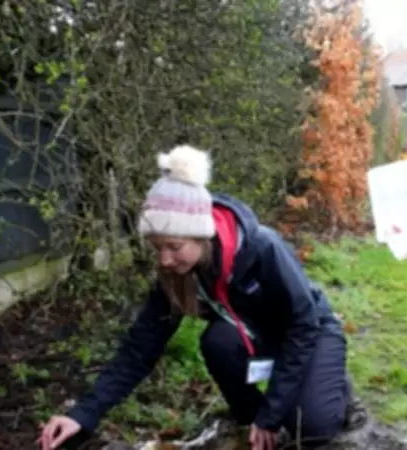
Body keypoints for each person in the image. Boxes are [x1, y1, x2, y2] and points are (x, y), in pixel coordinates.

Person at [38, 145, 351, 450]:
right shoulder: (177, 274)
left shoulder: (262, 248)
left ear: (202, 236)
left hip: (310, 332)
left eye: (174, 247)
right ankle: (254, 423)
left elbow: (304, 325)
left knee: (314, 427)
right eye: (157, 248)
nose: (164, 260)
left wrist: (271, 415)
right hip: (256, 334)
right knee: (218, 342)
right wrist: (82, 415)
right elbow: (140, 348)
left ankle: (329, 386)